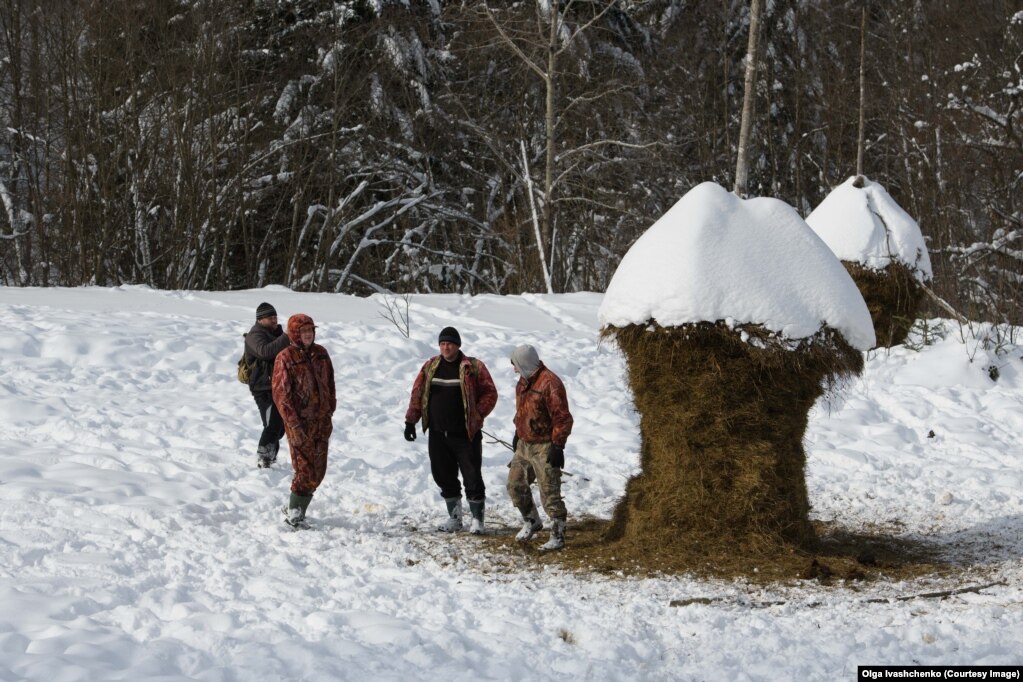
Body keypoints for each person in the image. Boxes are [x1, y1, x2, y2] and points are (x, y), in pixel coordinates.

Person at [404, 327, 498, 534]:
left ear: (458, 345)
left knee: (472, 476)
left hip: (466, 434)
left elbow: (490, 393)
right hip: (438, 433)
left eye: (450, 343)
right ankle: (455, 518)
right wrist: (411, 421)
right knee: (443, 475)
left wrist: (477, 414)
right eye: (442, 344)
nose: (446, 347)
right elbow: (418, 393)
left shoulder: (472, 367)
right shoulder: (430, 366)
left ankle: (477, 520)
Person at [271, 313, 336, 529]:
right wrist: (293, 424)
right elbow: (281, 395)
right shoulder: (285, 357)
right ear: (294, 333)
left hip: (322, 422)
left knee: (318, 471)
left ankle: (295, 506)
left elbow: (330, 384)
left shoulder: (321, 354)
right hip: (299, 424)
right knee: (304, 471)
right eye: (304, 331)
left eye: (311, 330)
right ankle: (295, 514)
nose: (308, 335)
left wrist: (329, 411)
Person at [506, 344, 573, 551]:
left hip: (545, 445)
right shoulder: (524, 381)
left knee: (549, 492)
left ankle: (558, 534)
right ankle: (531, 521)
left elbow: (563, 418)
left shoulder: (550, 384)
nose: (515, 369)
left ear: (524, 363)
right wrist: (518, 432)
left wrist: (557, 446)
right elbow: (523, 410)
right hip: (525, 444)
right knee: (515, 485)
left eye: (516, 365)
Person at [244, 302, 290, 468]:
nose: (274, 320)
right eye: (270, 317)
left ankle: (270, 457)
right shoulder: (254, 335)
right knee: (272, 425)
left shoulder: (274, 334)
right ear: (260, 319)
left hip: (276, 386)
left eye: (275, 317)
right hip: (263, 388)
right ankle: (264, 459)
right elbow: (265, 352)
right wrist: (285, 337)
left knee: (278, 426)